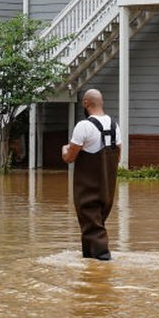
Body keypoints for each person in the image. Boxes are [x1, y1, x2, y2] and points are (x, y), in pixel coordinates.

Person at [61, 89, 120, 261]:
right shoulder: (115, 126)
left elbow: (70, 157)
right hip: (108, 186)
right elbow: (118, 154)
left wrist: (64, 149)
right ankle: (89, 260)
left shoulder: (83, 126)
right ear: (101, 102)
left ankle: (102, 260)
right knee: (95, 223)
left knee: (91, 223)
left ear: (86, 103)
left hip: (88, 186)